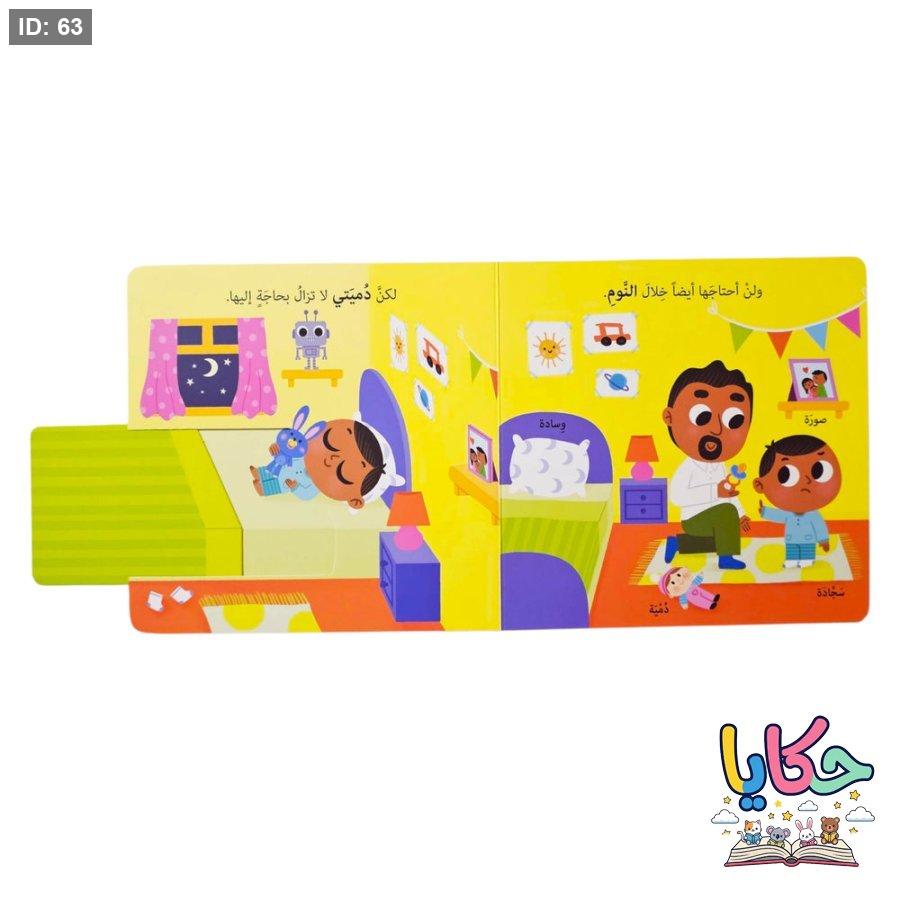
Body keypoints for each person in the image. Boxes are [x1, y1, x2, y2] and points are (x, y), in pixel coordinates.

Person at [662, 360, 753, 570]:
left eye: (734, 420)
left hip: (714, 520)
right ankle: (726, 559)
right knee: (726, 515)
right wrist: (715, 491)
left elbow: (728, 493)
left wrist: (740, 514)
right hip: (693, 519)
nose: (716, 429)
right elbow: (677, 496)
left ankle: (677, 543)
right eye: (701, 417)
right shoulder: (689, 467)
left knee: (721, 536)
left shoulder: (721, 466)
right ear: (669, 417)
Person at [251, 417, 404, 509]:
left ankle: (264, 488)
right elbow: (287, 451)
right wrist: (277, 448)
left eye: (341, 473)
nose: (330, 459)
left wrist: (295, 487)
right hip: (280, 467)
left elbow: (306, 495)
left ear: (354, 501)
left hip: (285, 483)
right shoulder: (304, 454)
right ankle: (261, 473)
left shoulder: (314, 485)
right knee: (274, 467)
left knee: (276, 485)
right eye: (329, 442)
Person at [752, 435, 842, 568]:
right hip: (791, 539)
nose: (806, 481)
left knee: (807, 551)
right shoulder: (788, 513)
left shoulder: (813, 514)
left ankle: (807, 560)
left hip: (808, 539)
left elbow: (819, 526)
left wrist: (823, 540)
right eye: (786, 475)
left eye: (819, 470)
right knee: (792, 551)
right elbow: (779, 516)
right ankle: (792, 560)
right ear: (760, 485)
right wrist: (764, 511)